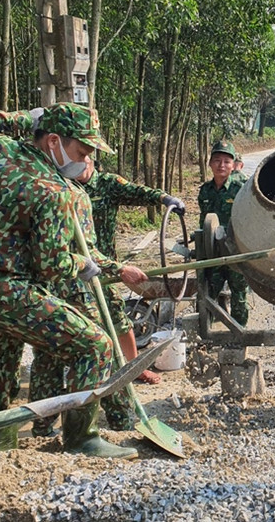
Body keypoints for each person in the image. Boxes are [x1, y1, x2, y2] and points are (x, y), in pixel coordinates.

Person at [0, 102, 138, 458]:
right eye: (82, 151)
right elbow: (51, 264)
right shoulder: (55, 191)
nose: (85, 161)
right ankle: (83, 439)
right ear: (54, 141)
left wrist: (25, 117)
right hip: (8, 291)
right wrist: (80, 264)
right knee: (96, 346)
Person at [29, 162, 149, 437]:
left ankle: (45, 425)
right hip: (70, 289)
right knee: (101, 349)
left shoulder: (37, 187)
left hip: (44, 290)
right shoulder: (67, 194)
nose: (83, 161)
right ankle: (116, 420)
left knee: (49, 355)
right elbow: (89, 253)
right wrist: (118, 269)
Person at [79, 159, 185, 385]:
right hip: (73, 269)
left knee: (118, 317)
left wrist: (165, 199)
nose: (79, 163)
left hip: (104, 271)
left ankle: (134, 367)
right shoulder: (64, 185)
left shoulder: (107, 184)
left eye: (84, 157)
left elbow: (138, 192)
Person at [198, 141, 249, 326]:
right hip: (213, 253)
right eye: (217, 160)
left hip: (237, 252)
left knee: (239, 295)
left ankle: (239, 335)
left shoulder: (243, 189)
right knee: (206, 293)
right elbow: (204, 222)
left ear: (233, 165)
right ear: (210, 163)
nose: (221, 165)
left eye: (227, 161)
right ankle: (205, 334)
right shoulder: (205, 191)